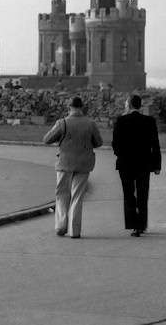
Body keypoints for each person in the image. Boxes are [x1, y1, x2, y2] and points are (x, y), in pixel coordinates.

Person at [43, 96, 103, 238]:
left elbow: (47, 139)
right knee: (77, 197)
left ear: (69, 107)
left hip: (64, 163)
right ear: (82, 107)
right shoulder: (90, 124)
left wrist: (61, 140)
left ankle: (61, 225)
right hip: (83, 164)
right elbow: (99, 142)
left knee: (62, 194)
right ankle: (75, 230)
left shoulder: (62, 123)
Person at [112, 94, 162, 237]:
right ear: (140, 105)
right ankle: (142, 225)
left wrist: (121, 156)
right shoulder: (149, 121)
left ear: (128, 105)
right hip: (144, 163)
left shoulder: (121, 121)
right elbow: (155, 144)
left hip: (125, 163)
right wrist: (157, 165)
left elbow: (115, 144)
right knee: (142, 194)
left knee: (128, 193)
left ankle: (133, 224)